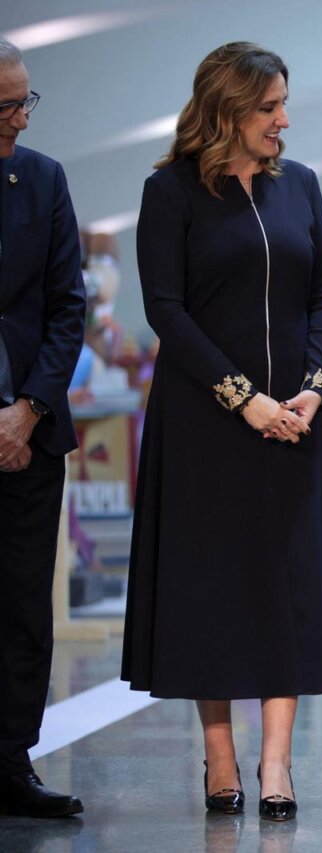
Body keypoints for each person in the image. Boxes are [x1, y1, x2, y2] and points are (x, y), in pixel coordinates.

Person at [121, 42, 322, 822]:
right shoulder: (170, 192)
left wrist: (313, 390)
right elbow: (166, 309)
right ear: (225, 110)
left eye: (284, 105)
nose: (283, 121)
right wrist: (241, 396)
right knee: (212, 591)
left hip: (296, 422)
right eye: (267, 108)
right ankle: (220, 756)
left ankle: (277, 762)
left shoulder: (303, 188)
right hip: (205, 424)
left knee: (286, 589)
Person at [0, 36, 87, 820]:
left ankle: (11, 763)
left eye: (25, 101)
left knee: (24, 604)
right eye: (5, 106)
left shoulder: (44, 179)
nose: (19, 120)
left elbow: (69, 307)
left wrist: (27, 409)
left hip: (30, 432)